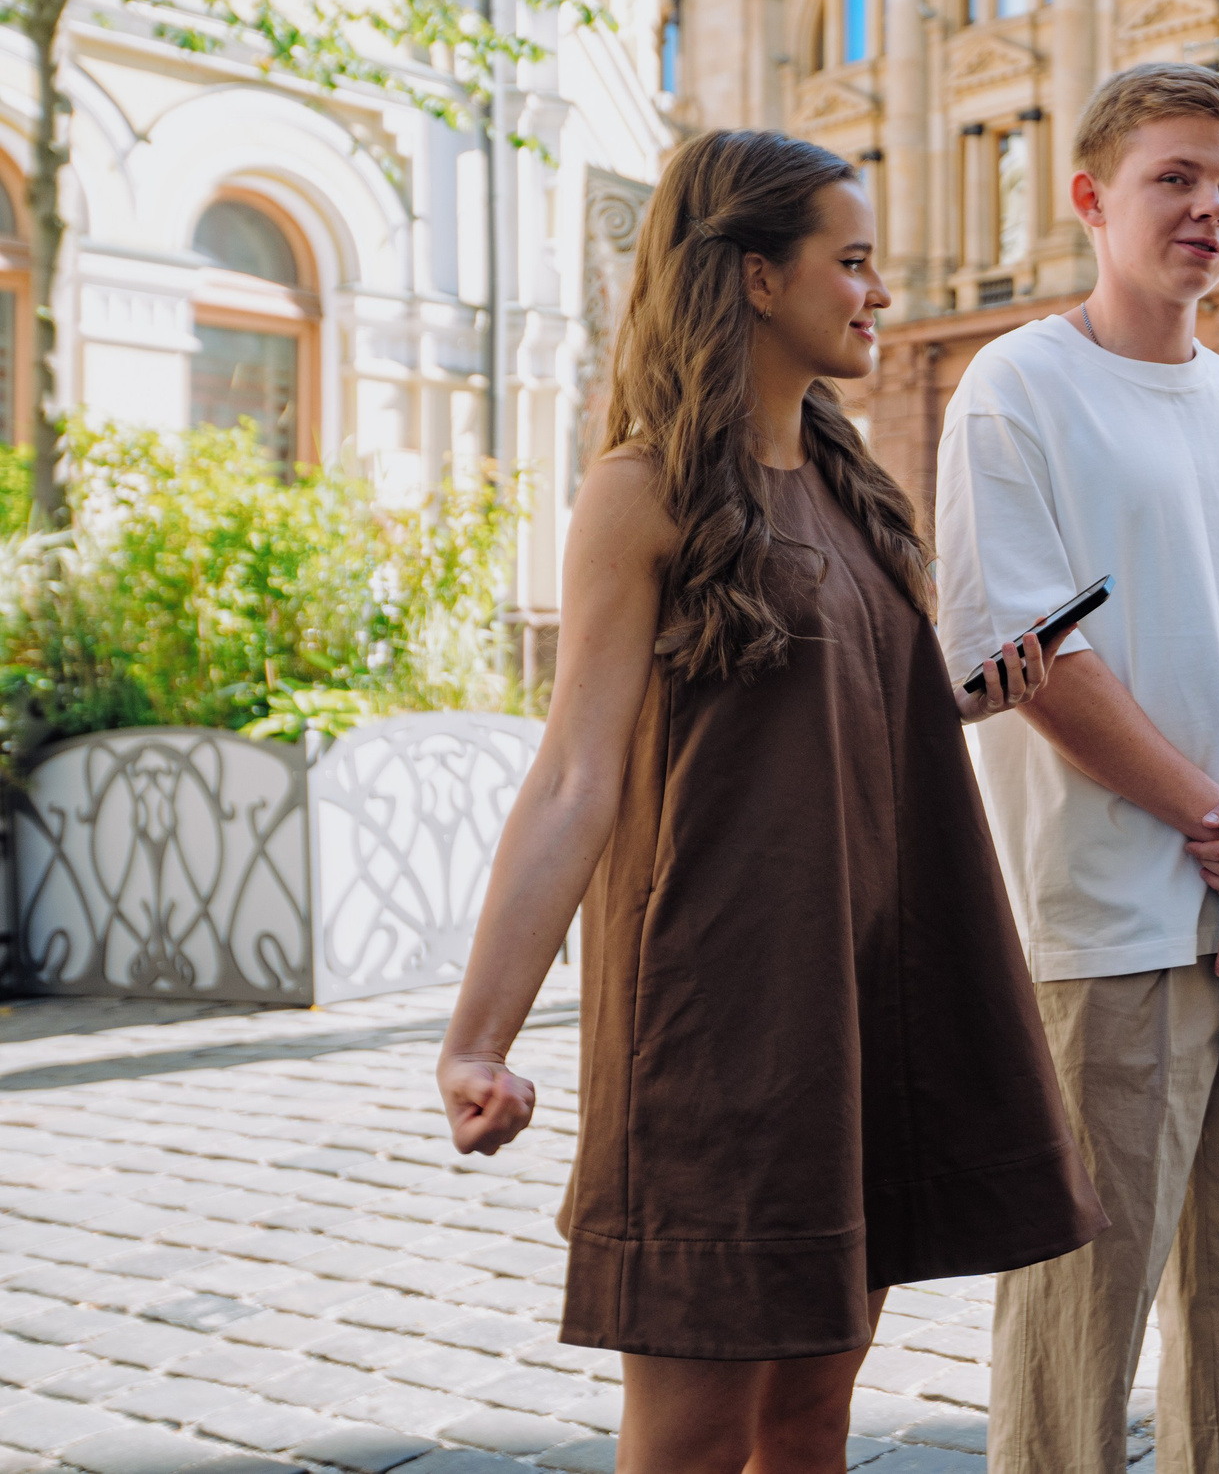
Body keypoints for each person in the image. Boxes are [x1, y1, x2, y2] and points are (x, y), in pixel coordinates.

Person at [433, 131, 1104, 1471]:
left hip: (865, 1007)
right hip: (719, 1025)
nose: (877, 292)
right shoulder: (642, 492)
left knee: (812, 1415)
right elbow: (574, 771)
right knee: (692, 1436)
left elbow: (833, 710)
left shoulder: (854, 489)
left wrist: (960, 690)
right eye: (849, 262)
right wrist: (477, 1038)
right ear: (751, 277)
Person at [933, 64, 1219, 1474]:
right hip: (1109, 920)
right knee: (1080, 1301)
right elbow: (1029, 648)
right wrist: (1213, 819)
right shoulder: (1019, 386)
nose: (1209, 208)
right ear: (1090, 197)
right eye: (1176, 177)